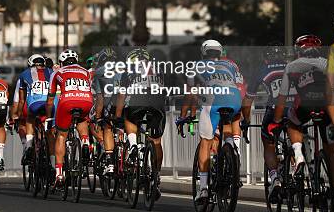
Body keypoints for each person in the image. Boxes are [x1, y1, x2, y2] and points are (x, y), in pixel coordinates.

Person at [270, 35, 334, 210]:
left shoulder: (292, 66)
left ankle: (299, 155)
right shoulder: (326, 62)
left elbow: (282, 97)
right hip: (326, 106)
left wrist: (277, 120)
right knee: (333, 153)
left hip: (304, 106)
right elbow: (332, 90)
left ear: (298, 50)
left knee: (292, 122)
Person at [179, 40, 243, 203]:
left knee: (205, 143)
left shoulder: (195, 66)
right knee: (228, 129)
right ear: (220, 53)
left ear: (203, 53)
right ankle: (233, 158)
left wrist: (183, 115)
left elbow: (191, 93)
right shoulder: (231, 65)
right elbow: (241, 86)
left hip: (214, 102)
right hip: (235, 100)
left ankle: (204, 189)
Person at [115, 48, 167, 200]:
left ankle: (132, 146)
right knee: (156, 141)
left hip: (138, 100)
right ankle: (156, 177)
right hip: (157, 102)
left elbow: (122, 95)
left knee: (129, 118)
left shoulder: (129, 70)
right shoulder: (158, 69)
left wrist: (118, 117)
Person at [241, 44, 291, 201]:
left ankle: (275, 178)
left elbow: (248, 99)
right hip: (294, 109)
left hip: (275, 109)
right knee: (296, 136)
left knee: (268, 142)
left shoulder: (262, 69)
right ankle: (298, 164)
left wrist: (247, 120)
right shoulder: (292, 66)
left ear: (265, 57)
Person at [46, 49, 93, 185]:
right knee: (82, 119)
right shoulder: (85, 71)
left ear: (61, 63)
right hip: (86, 101)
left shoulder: (58, 73)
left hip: (67, 102)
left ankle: (59, 175)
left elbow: (50, 100)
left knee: (61, 136)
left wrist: (49, 117)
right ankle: (85, 142)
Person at [17, 54, 53, 163]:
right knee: (49, 132)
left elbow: (22, 100)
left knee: (29, 118)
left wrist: (19, 116)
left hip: (34, 104)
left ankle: (28, 146)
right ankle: (52, 163)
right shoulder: (51, 72)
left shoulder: (24, 74)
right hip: (50, 105)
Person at [92, 47, 121, 175]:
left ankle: (109, 162)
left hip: (111, 104)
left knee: (107, 127)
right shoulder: (123, 69)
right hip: (127, 102)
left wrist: (98, 117)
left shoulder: (99, 72)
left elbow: (100, 98)